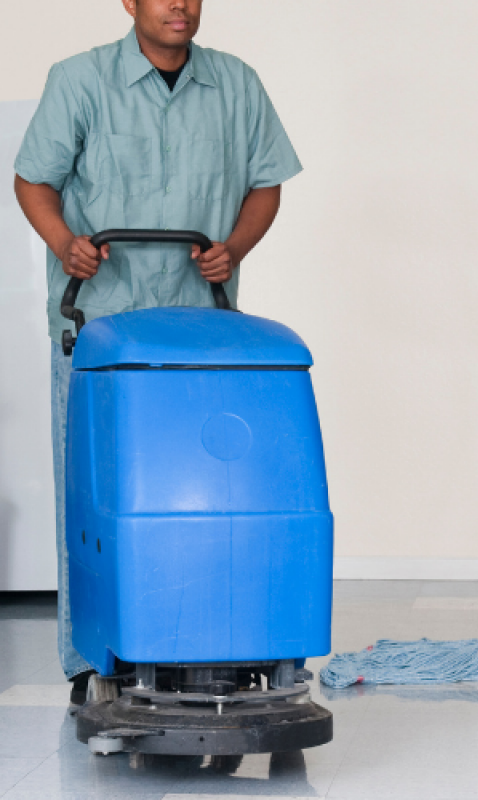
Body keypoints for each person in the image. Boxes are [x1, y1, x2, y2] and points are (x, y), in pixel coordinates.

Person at [14, 0, 302, 705]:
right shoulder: (79, 80)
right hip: (103, 331)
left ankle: (208, 639)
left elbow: (267, 182)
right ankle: (92, 658)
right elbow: (34, 180)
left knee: (208, 491)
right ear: (130, 3)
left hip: (204, 332)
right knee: (95, 498)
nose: (180, 4)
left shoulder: (237, 84)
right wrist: (64, 243)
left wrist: (234, 247)